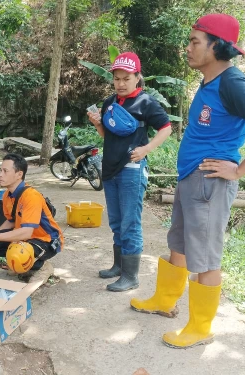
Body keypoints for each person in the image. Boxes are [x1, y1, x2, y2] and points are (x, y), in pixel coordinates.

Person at [130, 14, 245, 348]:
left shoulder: (233, 82)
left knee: (206, 258)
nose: (187, 48)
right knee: (179, 244)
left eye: (194, 41)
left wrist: (239, 169)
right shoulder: (210, 81)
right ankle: (165, 300)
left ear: (217, 47)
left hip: (211, 183)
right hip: (192, 177)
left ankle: (201, 328)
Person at [87, 52, 172, 292]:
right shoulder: (110, 103)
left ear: (137, 78)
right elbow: (109, 135)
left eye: (126, 78)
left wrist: (146, 148)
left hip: (132, 171)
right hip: (111, 169)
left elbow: (166, 128)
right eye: (117, 79)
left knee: (130, 224)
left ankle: (131, 276)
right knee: (116, 222)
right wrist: (97, 124)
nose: (121, 83)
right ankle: (118, 266)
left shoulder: (146, 103)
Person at [0, 153, 63, 279]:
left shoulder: (31, 196)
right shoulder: (7, 195)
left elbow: (26, 232)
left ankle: (41, 266)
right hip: (26, 237)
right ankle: (22, 263)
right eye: (0, 170)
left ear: (19, 174)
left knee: (13, 248)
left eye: (5, 171)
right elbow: (10, 221)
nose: (0, 175)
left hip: (46, 240)